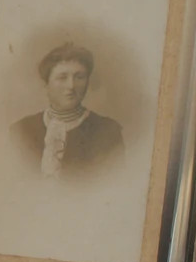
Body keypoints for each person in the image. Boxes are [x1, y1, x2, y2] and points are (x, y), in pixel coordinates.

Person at [10, 43, 124, 180]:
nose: (71, 86)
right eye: (62, 78)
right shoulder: (21, 130)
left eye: (79, 77)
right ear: (46, 84)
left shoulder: (108, 131)